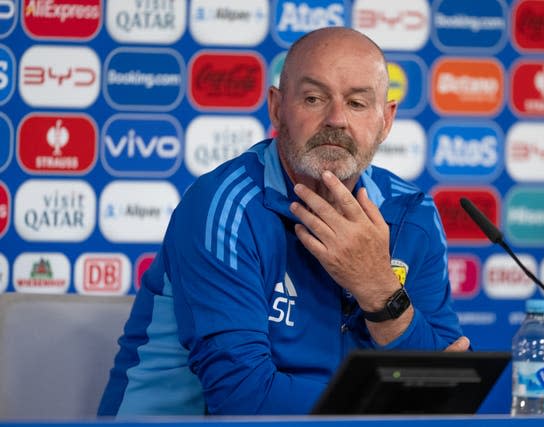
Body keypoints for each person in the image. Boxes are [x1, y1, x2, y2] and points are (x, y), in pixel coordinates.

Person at [98, 27, 469, 417]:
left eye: (358, 103)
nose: (336, 119)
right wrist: (390, 401)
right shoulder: (223, 207)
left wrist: (380, 291)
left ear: (386, 119)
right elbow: (241, 397)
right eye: (313, 98)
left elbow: (452, 382)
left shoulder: (411, 216)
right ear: (277, 107)